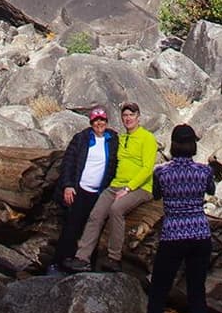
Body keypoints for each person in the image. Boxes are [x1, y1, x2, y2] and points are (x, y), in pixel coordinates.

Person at [135, 123, 214, 313]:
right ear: (193, 145)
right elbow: (211, 189)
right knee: (197, 294)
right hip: (199, 233)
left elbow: (157, 195)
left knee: (158, 294)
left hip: (173, 234)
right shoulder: (204, 171)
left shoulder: (162, 172)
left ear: (173, 145)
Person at [70, 101, 158, 270]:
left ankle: (114, 257)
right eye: (125, 115)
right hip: (115, 185)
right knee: (96, 214)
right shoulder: (121, 138)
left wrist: (128, 188)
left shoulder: (147, 138)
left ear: (138, 117)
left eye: (131, 115)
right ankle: (82, 258)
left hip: (140, 188)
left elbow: (147, 169)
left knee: (116, 209)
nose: (128, 118)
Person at [52, 106, 117, 270]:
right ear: (91, 122)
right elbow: (68, 162)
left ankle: (85, 263)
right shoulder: (81, 138)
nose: (99, 124)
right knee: (72, 227)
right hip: (80, 190)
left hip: (99, 192)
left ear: (107, 121)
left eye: (102, 120)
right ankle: (60, 263)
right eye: (96, 121)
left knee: (92, 228)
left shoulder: (113, 139)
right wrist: (68, 185)